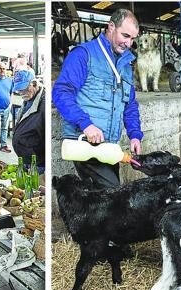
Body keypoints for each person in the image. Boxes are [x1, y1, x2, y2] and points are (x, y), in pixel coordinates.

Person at [52, 8, 143, 188]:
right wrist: (85, 124)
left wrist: (135, 135)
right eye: (125, 35)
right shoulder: (83, 55)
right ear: (111, 27)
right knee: (113, 196)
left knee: (102, 201)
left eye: (132, 39)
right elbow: (61, 92)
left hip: (109, 146)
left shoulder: (125, 64)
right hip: (86, 143)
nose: (128, 43)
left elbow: (130, 104)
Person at [12, 70, 45, 173]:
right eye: (19, 90)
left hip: (38, 164)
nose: (21, 93)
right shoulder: (29, 99)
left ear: (34, 84)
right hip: (27, 161)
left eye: (24, 89)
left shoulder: (44, 105)